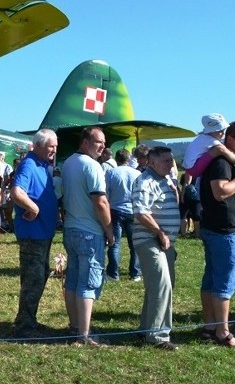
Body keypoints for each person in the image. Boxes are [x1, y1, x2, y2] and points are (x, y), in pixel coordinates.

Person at [199, 120, 235, 349]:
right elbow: (220, 191)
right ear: (229, 138)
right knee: (225, 282)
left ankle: (210, 327)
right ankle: (223, 332)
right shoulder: (223, 162)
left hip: (215, 228)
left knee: (212, 279)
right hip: (224, 230)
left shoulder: (223, 160)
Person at [61, 127, 114, 346]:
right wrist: (110, 231)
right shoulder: (92, 166)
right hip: (90, 233)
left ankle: (75, 326)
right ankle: (84, 335)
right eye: (97, 142)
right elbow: (100, 201)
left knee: (73, 280)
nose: (102, 146)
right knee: (88, 283)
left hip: (71, 229)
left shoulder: (68, 163)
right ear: (84, 142)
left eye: (103, 142)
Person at [9, 129, 58, 338]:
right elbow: (17, 192)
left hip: (43, 233)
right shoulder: (29, 164)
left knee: (39, 277)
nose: (54, 150)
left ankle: (27, 319)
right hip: (33, 234)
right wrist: (34, 208)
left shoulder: (42, 165)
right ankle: (25, 327)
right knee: (33, 279)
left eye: (56, 146)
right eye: (50, 146)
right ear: (37, 146)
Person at [131, 146, 182, 350]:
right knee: (162, 285)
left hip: (164, 242)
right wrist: (160, 232)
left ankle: (147, 329)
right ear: (152, 162)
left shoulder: (166, 180)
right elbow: (141, 212)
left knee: (158, 286)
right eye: (166, 161)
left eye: (172, 160)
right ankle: (158, 336)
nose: (171, 164)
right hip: (151, 240)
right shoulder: (145, 181)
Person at [183, 113, 235, 178]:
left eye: (223, 130)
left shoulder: (204, 138)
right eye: (218, 131)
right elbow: (225, 151)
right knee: (220, 149)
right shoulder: (209, 140)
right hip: (193, 168)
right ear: (210, 132)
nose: (222, 133)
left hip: (191, 168)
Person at [104, 149, 142, 282]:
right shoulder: (137, 173)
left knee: (114, 243)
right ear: (128, 158)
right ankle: (135, 273)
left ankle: (113, 273)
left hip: (115, 209)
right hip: (132, 210)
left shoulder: (111, 173)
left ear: (116, 159)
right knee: (134, 244)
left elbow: (106, 192)